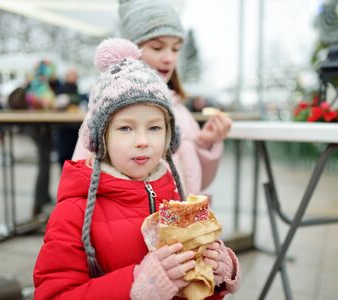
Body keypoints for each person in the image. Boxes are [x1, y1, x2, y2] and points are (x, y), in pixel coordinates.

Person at [33, 38, 240, 299]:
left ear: (169, 137)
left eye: (154, 127)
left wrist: (217, 274)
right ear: (101, 137)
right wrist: (135, 285)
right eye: (125, 128)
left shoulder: (176, 197)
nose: (142, 141)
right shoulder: (74, 211)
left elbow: (190, 288)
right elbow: (54, 294)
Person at [72, 0, 232, 195]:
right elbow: (82, 181)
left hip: (179, 223)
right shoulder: (109, 110)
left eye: (175, 49)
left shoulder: (179, 110)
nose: (169, 58)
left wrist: (203, 143)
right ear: (131, 49)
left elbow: (197, 183)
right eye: (157, 47)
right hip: (137, 223)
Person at [25, 60, 60, 217]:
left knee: (44, 164)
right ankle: (39, 203)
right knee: (44, 165)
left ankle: (43, 198)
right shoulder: (40, 84)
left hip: (38, 129)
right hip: (41, 129)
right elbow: (48, 103)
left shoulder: (34, 82)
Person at [55, 69, 82, 169]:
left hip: (74, 129)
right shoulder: (62, 89)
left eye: (75, 75)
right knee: (65, 157)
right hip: (65, 129)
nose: (74, 77)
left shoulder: (76, 89)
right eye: (72, 75)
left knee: (72, 159)